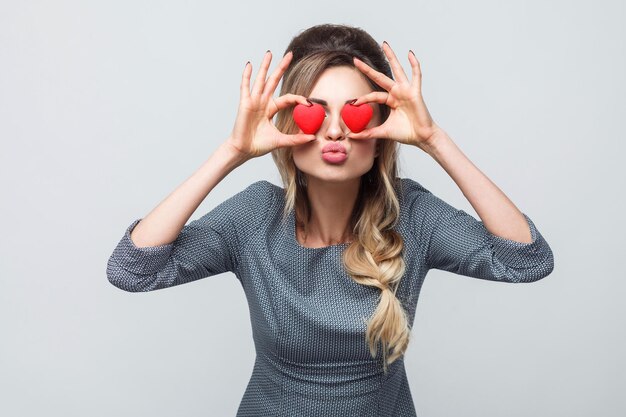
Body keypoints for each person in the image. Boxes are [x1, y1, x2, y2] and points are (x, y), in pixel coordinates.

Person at [106, 23, 554, 417]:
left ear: (381, 134)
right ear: (286, 126)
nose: (335, 131)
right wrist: (231, 152)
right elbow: (131, 269)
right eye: (315, 112)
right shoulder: (254, 217)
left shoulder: (412, 215)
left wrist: (434, 139)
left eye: (355, 113)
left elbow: (527, 261)